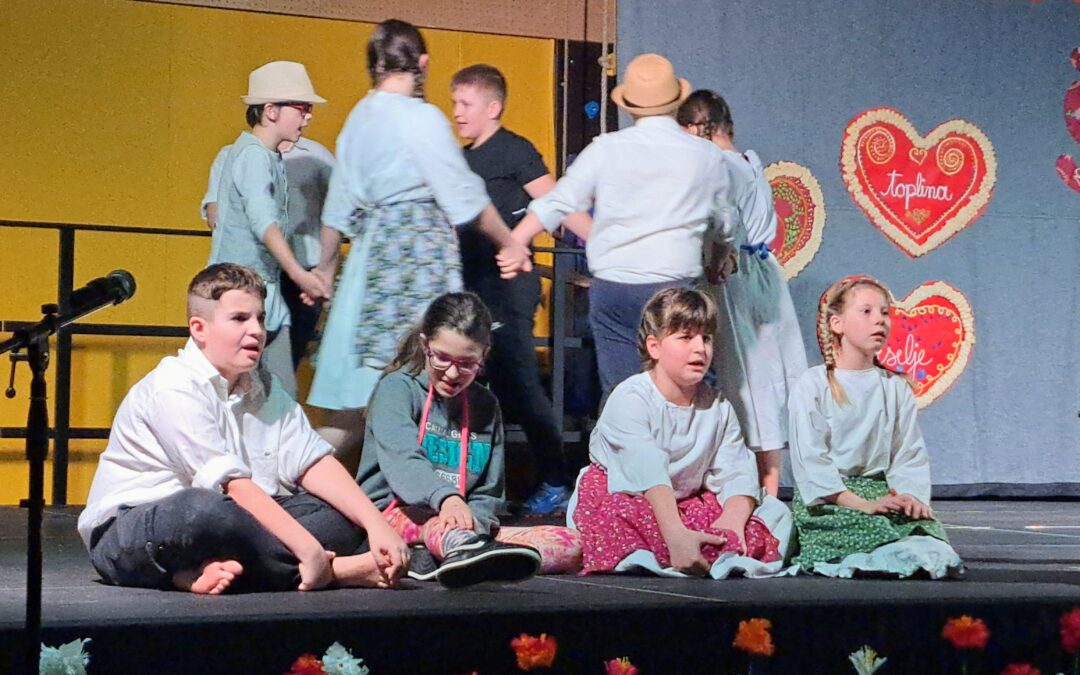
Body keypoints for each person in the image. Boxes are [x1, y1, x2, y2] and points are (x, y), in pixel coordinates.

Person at [77, 264, 409, 594]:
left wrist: (376, 523)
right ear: (199, 328)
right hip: (137, 529)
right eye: (239, 319)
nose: (257, 331)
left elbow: (312, 461)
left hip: (231, 526)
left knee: (338, 516)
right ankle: (334, 571)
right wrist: (309, 551)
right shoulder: (173, 386)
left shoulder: (264, 386)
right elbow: (232, 487)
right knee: (205, 510)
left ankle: (201, 574)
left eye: (260, 319)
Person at [309, 20, 531, 471]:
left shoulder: (360, 117)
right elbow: (464, 194)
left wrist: (325, 269)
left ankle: (290, 477)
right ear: (423, 63)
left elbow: (338, 207)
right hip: (416, 258)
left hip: (370, 263)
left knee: (360, 399)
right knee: (426, 377)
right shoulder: (420, 118)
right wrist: (510, 240)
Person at [509, 53, 729, 402]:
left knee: (622, 398)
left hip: (614, 289)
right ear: (676, 103)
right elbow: (725, 224)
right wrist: (718, 260)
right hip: (674, 287)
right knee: (688, 394)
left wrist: (518, 238)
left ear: (630, 107)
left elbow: (559, 200)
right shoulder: (705, 155)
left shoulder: (606, 149)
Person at [359, 292, 582, 587]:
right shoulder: (397, 388)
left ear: (483, 355)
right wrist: (447, 499)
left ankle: (443, 556)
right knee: (441, 528)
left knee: (570, 544)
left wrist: (475, 523)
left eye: (467, 363)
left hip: (463, 522)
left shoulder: (486, 404)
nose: (452, 373)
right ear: (425, 345)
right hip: (391, 515)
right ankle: (450, 551)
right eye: (442, 358)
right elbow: (403, 461)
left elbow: (489, 492)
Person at [569, 287, 792, 578]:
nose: (700, 348)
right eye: (686, 337)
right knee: (620, 516)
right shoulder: (631, 398)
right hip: (633, 495)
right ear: (654, 347)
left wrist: (731, 523)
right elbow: (647, 470)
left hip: (687, 501)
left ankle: (702, 550)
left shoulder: (717, 405)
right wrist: (675, 535)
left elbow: (736, 471)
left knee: (774, 513)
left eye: (706, 338)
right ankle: (673, 552)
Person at [450, 64, 591, 515]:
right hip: (469, 284)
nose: (457, 112)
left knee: (521, 383)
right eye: (454, 103)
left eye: (466, 103)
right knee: (472, 385)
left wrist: (601, 247)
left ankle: (556, 478)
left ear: (492, 107)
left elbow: (559, 202)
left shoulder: (514, 151)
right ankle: (471, 484)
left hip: (508, 285)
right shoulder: (461, 158)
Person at [677, 89, 808, 497]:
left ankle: (760, 488)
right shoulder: (751, 162)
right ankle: (767, 482)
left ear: (699, 127)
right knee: (768, 372)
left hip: (732, 272)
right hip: (764, 271)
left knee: (748, 377)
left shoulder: (719, 165)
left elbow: (725, 221)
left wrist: (720, 258)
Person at [787, 275, 964, 578]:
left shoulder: (894, 387)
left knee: (927, 533)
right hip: (833, 497)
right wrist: (860, 504)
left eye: (884, 313)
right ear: (837, 324)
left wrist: (910, 496)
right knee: (870, 530)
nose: (880, 320)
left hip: (880, 491)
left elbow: (907, 453)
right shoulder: (813, 385)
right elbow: (811, 460)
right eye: (866, 312)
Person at [207, 61, 331, 397]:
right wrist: (300, 274)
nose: (308, 116)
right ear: (271, 110)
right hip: (236, 295)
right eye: (301, 108)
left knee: (277, 398)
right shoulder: (252, 156)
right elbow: (263, 221)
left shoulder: (266, 156)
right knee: (235, 398)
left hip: (264, 295)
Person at [201, 136, 335, 369]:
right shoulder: (234, 154)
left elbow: (340, 210)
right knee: (237, 360)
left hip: (303, 276)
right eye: (300, 114)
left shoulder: (316, 155)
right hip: (253, 274)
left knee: (286, 360)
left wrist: (325, 271)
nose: (306, 118)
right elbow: (215, 213)